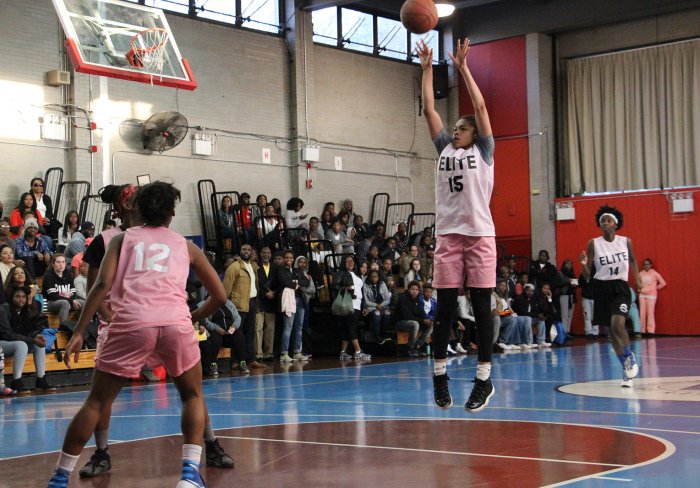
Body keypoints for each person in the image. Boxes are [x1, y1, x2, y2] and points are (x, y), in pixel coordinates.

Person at [47, 182, 228, 488]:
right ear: (171, 213)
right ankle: (188, 476)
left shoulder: (121, 240)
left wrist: (79, 331)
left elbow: (101, 285)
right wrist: (193, 317)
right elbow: (220, 296)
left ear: (139, 209)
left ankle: (60, 478)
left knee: (96, 403)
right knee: (192, 395)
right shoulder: (186, 245)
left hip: (131, 322)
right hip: (174, 322)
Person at [418, 37, 497, 412]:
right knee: (445, 307)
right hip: (449, 235)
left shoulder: (484, 151)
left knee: (482, 307)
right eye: (453, 129)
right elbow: (428, 106)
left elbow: (480, 106)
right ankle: (439, 377)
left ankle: (483, 380)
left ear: (473, 134)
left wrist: (463, 68)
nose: (454, 132)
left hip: (480, 235)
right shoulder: (444, 149)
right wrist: (427, 68)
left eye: (460, 129)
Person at [579, 205, 642, 388]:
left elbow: (633, 260)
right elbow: (587, 274)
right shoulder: (594, 243)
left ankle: (629, 355)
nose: (605, 223)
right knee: (611, 331)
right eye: (602, 221)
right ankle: (626, 369)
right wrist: (583, 264)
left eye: (608, 221)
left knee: (618, 324)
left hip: (620, 287)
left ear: (616, 224)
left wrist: (637, 279)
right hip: (601, 287)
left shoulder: (625, 241)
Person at [0, 286, 55, 395]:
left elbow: (27, 332)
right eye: (17, 297)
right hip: (2, 343)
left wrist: (37, 336)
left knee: (38, 344)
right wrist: (32, 339)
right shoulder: (3, 309)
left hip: (14, 342)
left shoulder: (24, 311)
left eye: (23, 297)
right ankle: (16, 381)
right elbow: (7, 334)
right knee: (22, 345)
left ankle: (40, 379)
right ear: (11, 298)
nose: (21, 299)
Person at [222, 244, 265, 370]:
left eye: (248, 250)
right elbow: (226, 289)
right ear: (240, 251)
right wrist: (228, 306)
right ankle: (235, 360)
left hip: (251, 302)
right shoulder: (234, 267)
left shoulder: (253, 266)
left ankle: (250, 359)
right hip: (238, 305)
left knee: (250, 333)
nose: (246, 252)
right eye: (244, 249)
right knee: (237, 334)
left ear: (252, 252)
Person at [332, 255, 371, 361]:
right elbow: (334, 286)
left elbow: (361, 291)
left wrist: (364, 306)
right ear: (343, 263)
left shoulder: (357, 275)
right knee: (351, 327)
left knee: (347, 328)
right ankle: (358, 351)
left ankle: (343, 352)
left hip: (357, 304)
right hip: (349, 303)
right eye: (348, 261)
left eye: (352, 261)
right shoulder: (340, 273)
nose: (350, 263)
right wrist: (346, 288)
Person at [43, 254, 85, 323]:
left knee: (83, 303)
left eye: (63, 262)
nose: (61, 264)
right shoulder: (49, 276)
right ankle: (63, 327)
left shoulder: (67, 274)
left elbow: (73, 291)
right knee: (64, 303)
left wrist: (70, 300)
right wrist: (70, 301)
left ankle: (81, 328)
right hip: (50, 303)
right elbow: (53, 296)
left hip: (67, 300)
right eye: (58, 262)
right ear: (53, 264)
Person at [396, 281, 433, 357]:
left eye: (416, 289)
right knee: (415, 324)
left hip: (414, 322)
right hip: (400, 323)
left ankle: (417, 346)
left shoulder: (418, 300)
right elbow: (407, 316)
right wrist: (422, 320)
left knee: (431, 325)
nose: (414, 291)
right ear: (409, 290)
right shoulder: (403, 299)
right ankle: (410, 348)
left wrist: (428, 320)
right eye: (412, 289)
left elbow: (422, 313)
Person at [638, 258, 667, 336]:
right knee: (642, 313)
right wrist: (640, 289)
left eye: (647, 264)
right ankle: (642, 331)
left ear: (650, 265)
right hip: (642, 295)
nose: (646, 266)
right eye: (644, 264)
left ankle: (651, 331)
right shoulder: (640, 274)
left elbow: (663, 283)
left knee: (650, 313)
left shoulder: (654, 273)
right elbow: (638, 283)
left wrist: (655, 288)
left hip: (651, 295)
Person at [362, 269, 392, 345]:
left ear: (378, 277)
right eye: (372, 277)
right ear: (369, 277)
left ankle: (383, 334)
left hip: (382, 306)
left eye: (376, 277)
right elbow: (366, 301)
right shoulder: (365, 285)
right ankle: (377, 336)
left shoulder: (382, 284)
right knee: (377, 313)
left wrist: (380, 305)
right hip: (371, 307)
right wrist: (376, 306)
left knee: (387, 313)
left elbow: (387, 299)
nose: (374, 279)